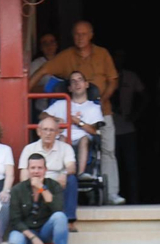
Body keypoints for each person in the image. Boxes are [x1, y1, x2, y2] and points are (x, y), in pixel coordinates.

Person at [30, 20, 121, 204]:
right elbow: (43, 70)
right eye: (77, 34)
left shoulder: (102, 54)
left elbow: (113, 80)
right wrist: (25, 90)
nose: (80, 38)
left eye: (84, 34)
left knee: (108, 152)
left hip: (102, 111)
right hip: (72, 122)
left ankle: (111, 194)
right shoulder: (66, 56)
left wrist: (101, 100)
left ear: (91, 35)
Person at [7, 153, 73, 244]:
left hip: (45, 231)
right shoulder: (18, 189)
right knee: (14, 238)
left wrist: (42, 188)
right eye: (33, 168)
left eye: (39, 168)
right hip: (25, 232)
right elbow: (15, 220)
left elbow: (58, 209)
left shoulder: (54, 186)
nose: (36, 171)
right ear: (28, 170)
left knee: (60, 217)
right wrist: (33, 238)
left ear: (45, 169)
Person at [18, 117, 79, 227]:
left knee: (71, 179)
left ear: (57, 133)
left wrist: (64, 173)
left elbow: (72, 166)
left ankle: (69, 220)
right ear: (39, 132)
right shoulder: (29, 149)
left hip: (57, 183)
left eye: (51, 130)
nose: (48, 133)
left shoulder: (65, 147)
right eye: (45, 129)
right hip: (37, 184)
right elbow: (23, 174)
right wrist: (33, 184)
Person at [47, 70, 105, 177]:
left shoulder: (94, 107)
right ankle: (62, 173)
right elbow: (42, 116)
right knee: (63, 138)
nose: (77, 83)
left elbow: (93, 131)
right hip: (63, 136)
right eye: (73, 81)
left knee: (84, 139)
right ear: (69, 88)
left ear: (86, 84)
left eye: (80, 80)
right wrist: (54, 119)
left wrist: (79, 122)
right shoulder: (60, 103)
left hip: (82, 138)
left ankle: (81, 174)